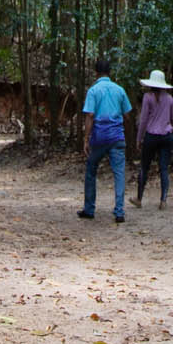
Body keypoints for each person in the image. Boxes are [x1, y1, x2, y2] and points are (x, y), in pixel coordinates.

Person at [78, 58, 132, 222]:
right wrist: (125, 133)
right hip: (117, 137)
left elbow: (90, 115)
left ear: (96, 73)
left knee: (91, 170)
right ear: (110, 72)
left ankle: (89, 209)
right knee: (119, 173)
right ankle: (119, 211)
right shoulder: (120, 90)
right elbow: (127, 115)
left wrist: (86, 139)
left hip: (99, 138)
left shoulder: (93, 91)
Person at [133, 70, 173, 208]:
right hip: (166, 136)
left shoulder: (147, 97)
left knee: (144, 167)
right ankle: (163, 200)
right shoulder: (169, 98)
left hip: (151, 136)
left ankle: (139, 199)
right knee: (164, 168)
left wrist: (139, 138)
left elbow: (143, 119)